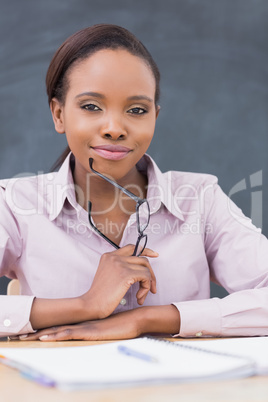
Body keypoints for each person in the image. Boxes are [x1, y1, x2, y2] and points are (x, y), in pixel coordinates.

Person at [1, 24, 267, 342]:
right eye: (91, 106)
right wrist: (85, 305)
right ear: (59, 114)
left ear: (154, 116)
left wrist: (146, 319)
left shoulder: (200, 199)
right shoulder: (15, 204)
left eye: (137, 110)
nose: (115, 128)